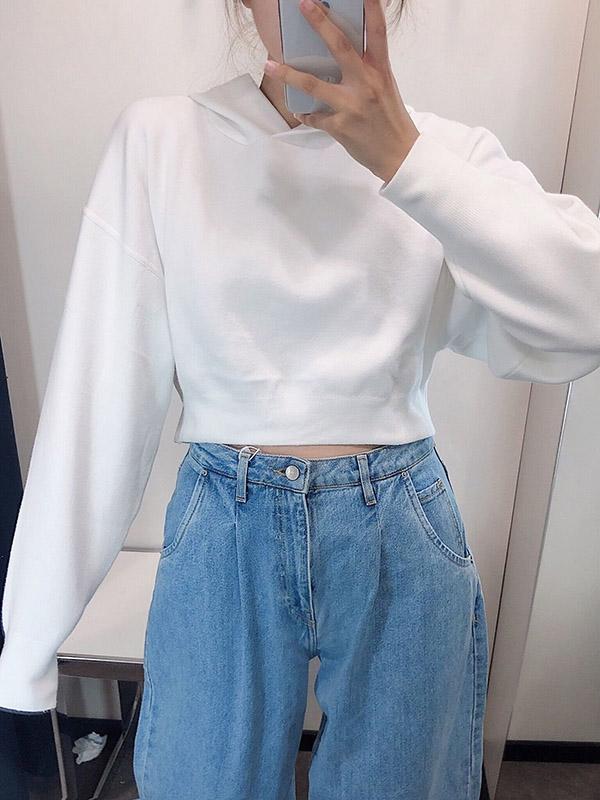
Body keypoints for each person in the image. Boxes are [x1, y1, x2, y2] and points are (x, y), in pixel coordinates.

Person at [1, 0, 600, 797]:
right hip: (227, 519)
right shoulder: (163, 139)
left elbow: (585, 314)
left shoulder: (446, 156)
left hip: (399, 521)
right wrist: (29, 641)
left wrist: (408, 164)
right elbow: (97, 399)